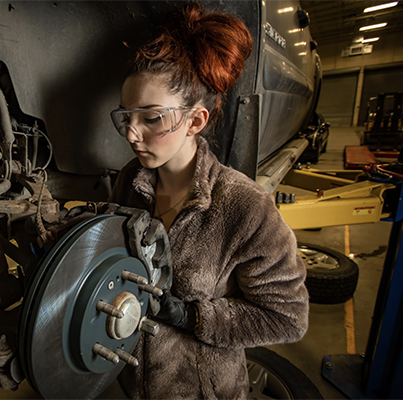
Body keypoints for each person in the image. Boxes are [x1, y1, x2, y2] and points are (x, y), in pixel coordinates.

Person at [108, 2, 309, 399]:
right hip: (131, 386)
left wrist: (192, 316)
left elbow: (287, 318)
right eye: (127, 117)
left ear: (195, 121)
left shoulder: (245, 207)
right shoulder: (130, 182)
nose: (132, 134)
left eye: (151, 118)